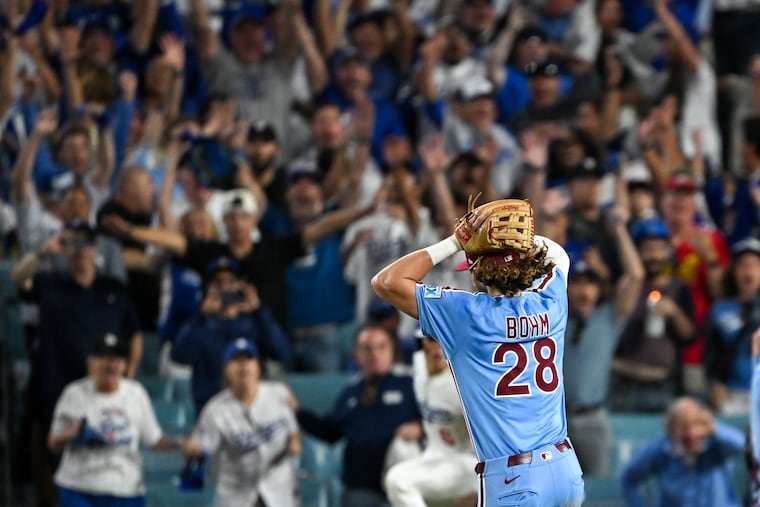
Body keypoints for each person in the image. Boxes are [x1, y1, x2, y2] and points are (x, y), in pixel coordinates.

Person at [371, 200, 585, 506]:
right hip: (565, 469)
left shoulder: (467, 316)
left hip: (514, 478)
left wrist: (456, 241)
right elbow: (558, 255)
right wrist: (522, 241)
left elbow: (386, 282)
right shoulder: (551, 300)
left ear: (480, 271)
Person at [48, 333, 186, 507]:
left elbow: (154, 439)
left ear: (125, 365)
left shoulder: (135, 393)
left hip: (125, 487)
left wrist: (180, 443)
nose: (111, 365)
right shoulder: (74, 393)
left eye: (117, 360)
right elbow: (53, 443)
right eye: (104, 358)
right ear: (90, 362)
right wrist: (71, 434)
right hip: (79, 487)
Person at [295, 324, 422, 507]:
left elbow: (440, 418)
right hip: (360, 487)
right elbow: (330, 431)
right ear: (357, 355)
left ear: (392, 351)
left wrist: (420, 427)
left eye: (381, 347)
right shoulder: (351, 390)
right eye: (367, 348)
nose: (374, 354)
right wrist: (297, 411)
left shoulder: (411, 383)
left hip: (404, 483)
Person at [563, 206, 644, 476]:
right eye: (577, 282)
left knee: (599, 492)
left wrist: (619, 230)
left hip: (594, 418)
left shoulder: (608, 317)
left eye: (591, 283)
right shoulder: (552, 318)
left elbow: (635, 276)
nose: (584, 289)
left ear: (600, 289)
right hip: (555, 420)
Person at [183, 338, 301, 507]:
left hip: (279, 491)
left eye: (248, 360)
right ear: (225, 370)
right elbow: (201, 447)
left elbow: (294, 433)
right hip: (237, 495)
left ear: (258, 367)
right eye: (236, 361)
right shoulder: (215, 409)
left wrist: (295, 442)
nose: (243, 366)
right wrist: (193, 449)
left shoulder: (279, 394)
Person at [171, 256, 292, 413]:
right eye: (218, 283)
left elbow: (282, 352)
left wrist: (258, 310)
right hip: (211, 410)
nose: (225, 288)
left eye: (230, 282)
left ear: (240, 286)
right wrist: (201, 317)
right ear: (208, 288)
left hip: (252, 409)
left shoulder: (255, 320)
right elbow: (179, 356)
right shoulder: (200, 324)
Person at [384, 334, 478, 507]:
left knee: (398, 481)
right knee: (400, 448)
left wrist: (478, 491)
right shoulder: (419, 364)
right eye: (432, 339)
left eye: (444, 338)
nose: (438, 346)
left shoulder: (463, 381)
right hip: (434, 455)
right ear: (423, 343)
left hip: (467, 462)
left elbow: (491, 432)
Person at [620, 396, 745, 507]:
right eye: (684, 426)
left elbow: (740, 445)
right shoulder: (661, 449)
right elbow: (628, 478)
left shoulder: (716, 443)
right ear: (671, 428)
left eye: (697, 424)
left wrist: (714, 428)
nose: (692, 433)